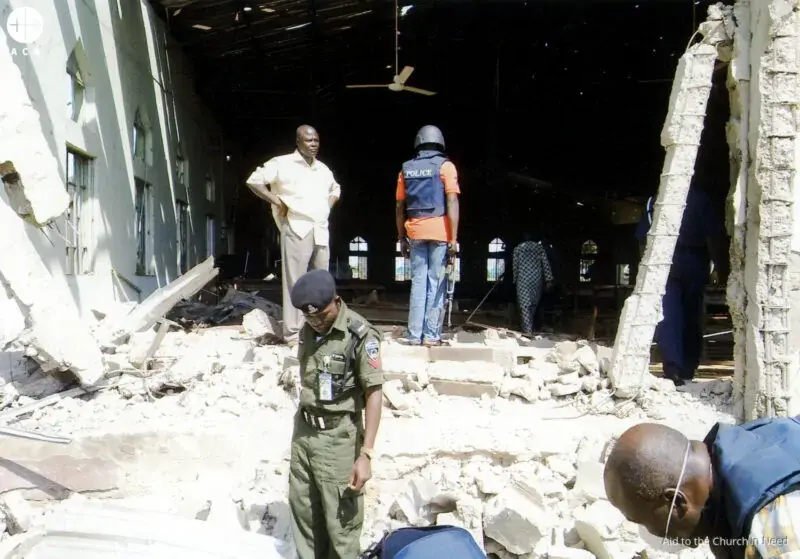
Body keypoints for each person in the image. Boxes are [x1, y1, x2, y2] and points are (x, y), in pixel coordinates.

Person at [288, 269, 384, 559]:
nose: (316, 322)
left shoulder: (360, 334)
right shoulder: (308, 330)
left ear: (336, 302)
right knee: (304, 514)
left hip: (338, 438)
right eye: (310, 317)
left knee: (341, 523)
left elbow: (374, 394)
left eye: (322, 316)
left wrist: (366, 454)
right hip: (304, 433)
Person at [604, 420, 800, 559]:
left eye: (645, 522)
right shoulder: (740, 447)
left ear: (677, 503)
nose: (652, 533)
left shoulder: (775, 530)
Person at [246, 125, 341, 343]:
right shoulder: (282, 164)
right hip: (297, 227)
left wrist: (327, 206)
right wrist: (276, 200)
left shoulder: (323, 169)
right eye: (309, 140)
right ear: (298, 142)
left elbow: (335, 189)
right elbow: (254, 180)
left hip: (320, 229)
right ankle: (293, 333)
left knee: (323, 281)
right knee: (295, 282)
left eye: (316, 140)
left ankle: (323, 329)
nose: (314, 144)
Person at [635, 185, 729, 386]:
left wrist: (646, 268)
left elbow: (644, 236)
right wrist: (720, 269)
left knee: (669, 315)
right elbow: (713, 235)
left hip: (665, 259)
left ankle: (673, 368)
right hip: (695, 261)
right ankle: (688, 367)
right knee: (692, 315)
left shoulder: (658, 197)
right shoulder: (701, 199)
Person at [395, 125, 460, 346]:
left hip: (414, 231)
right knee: (437, 282)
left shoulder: (405, 169)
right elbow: (452, 201)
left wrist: (401, 237)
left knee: (418, 283)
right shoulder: (446, 167)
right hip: (440, 232)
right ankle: (431, 335)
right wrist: (453, 239)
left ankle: (414, 336)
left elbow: (399, 206)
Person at [512, 232, 554, 335]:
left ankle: (527, 330)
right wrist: (549, 279)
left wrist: (514, 279)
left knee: (524, 305)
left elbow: (515, 266)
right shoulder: (539, 248)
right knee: (533, 304)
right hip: (536, 279)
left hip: (523, 280)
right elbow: (545, 264)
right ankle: (528, 327)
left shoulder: (518, 248)